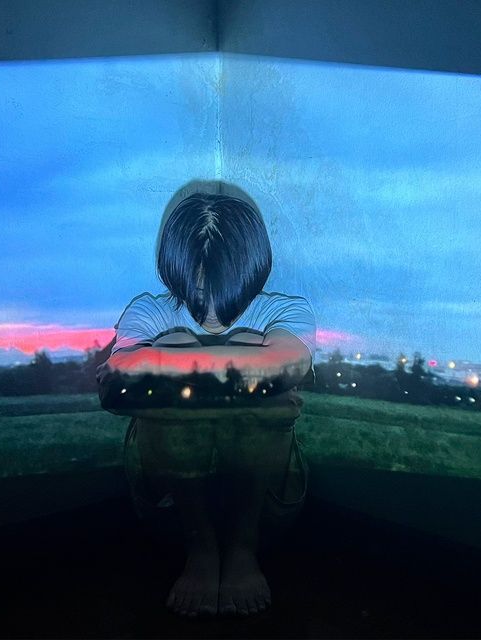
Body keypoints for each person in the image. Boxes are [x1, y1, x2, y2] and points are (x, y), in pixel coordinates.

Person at [96, 184, 316, 618]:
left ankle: (242, 546)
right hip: (169, 510)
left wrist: (155, 365)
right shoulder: (150, 311)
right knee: (205, 352)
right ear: (174, 271)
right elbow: (113, 390)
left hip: (267, 505)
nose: (212, 310)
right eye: (198, 290)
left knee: (251, 362)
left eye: (225, 288)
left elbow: (288, 363)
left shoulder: (285, 312)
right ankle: (201, 548)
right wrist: (249, 383)